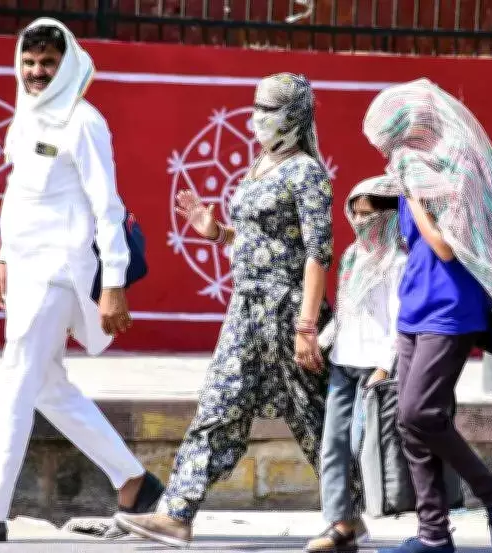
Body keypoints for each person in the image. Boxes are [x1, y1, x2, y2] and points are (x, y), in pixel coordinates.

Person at [0, 19, 162, 544]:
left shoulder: (84, 122)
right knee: (48, 387)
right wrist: (1, 257)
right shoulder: (27, 115)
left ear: (66, 66)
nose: (36, 72)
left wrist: (114, 285)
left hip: (61, 273)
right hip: (26, 271)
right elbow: (19, 199)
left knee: (15, 379)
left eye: (47, 64)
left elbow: (108, 209)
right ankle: (134, 482)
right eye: (30, 62)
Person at [114, 73, 334, 547]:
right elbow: (259, 242)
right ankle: (176, 513)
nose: (259, 117)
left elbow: (317, 253)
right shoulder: (261, 166)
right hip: (245, 312)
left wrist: (308, 326)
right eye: (255, 106)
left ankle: (349, 515)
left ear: (295, 115)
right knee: (219, 406)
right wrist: (215, 232)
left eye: (270, 108)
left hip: (286, 312)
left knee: (316, 420)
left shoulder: (307, 174)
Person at [362, 79, 492, 553]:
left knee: (421, 411)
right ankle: (433, 535)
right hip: (415, 310)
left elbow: (447, 249)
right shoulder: (412, 169)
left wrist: (411, 194)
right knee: (410, 424)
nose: (390, 151)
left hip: (452, 310)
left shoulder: (456, 172)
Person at [305, 175, 405, 553]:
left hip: (373, 368)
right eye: (356, 213)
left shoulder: (398, 259)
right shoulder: (352, 255)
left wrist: (385, 365)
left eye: (370, 215)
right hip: (343, 362)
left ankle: (373, 515)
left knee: (363, 446)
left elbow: (399, 318)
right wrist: (322, 340)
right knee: (332, 445)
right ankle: (341, 523)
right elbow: (346, 308)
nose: (361, 221)